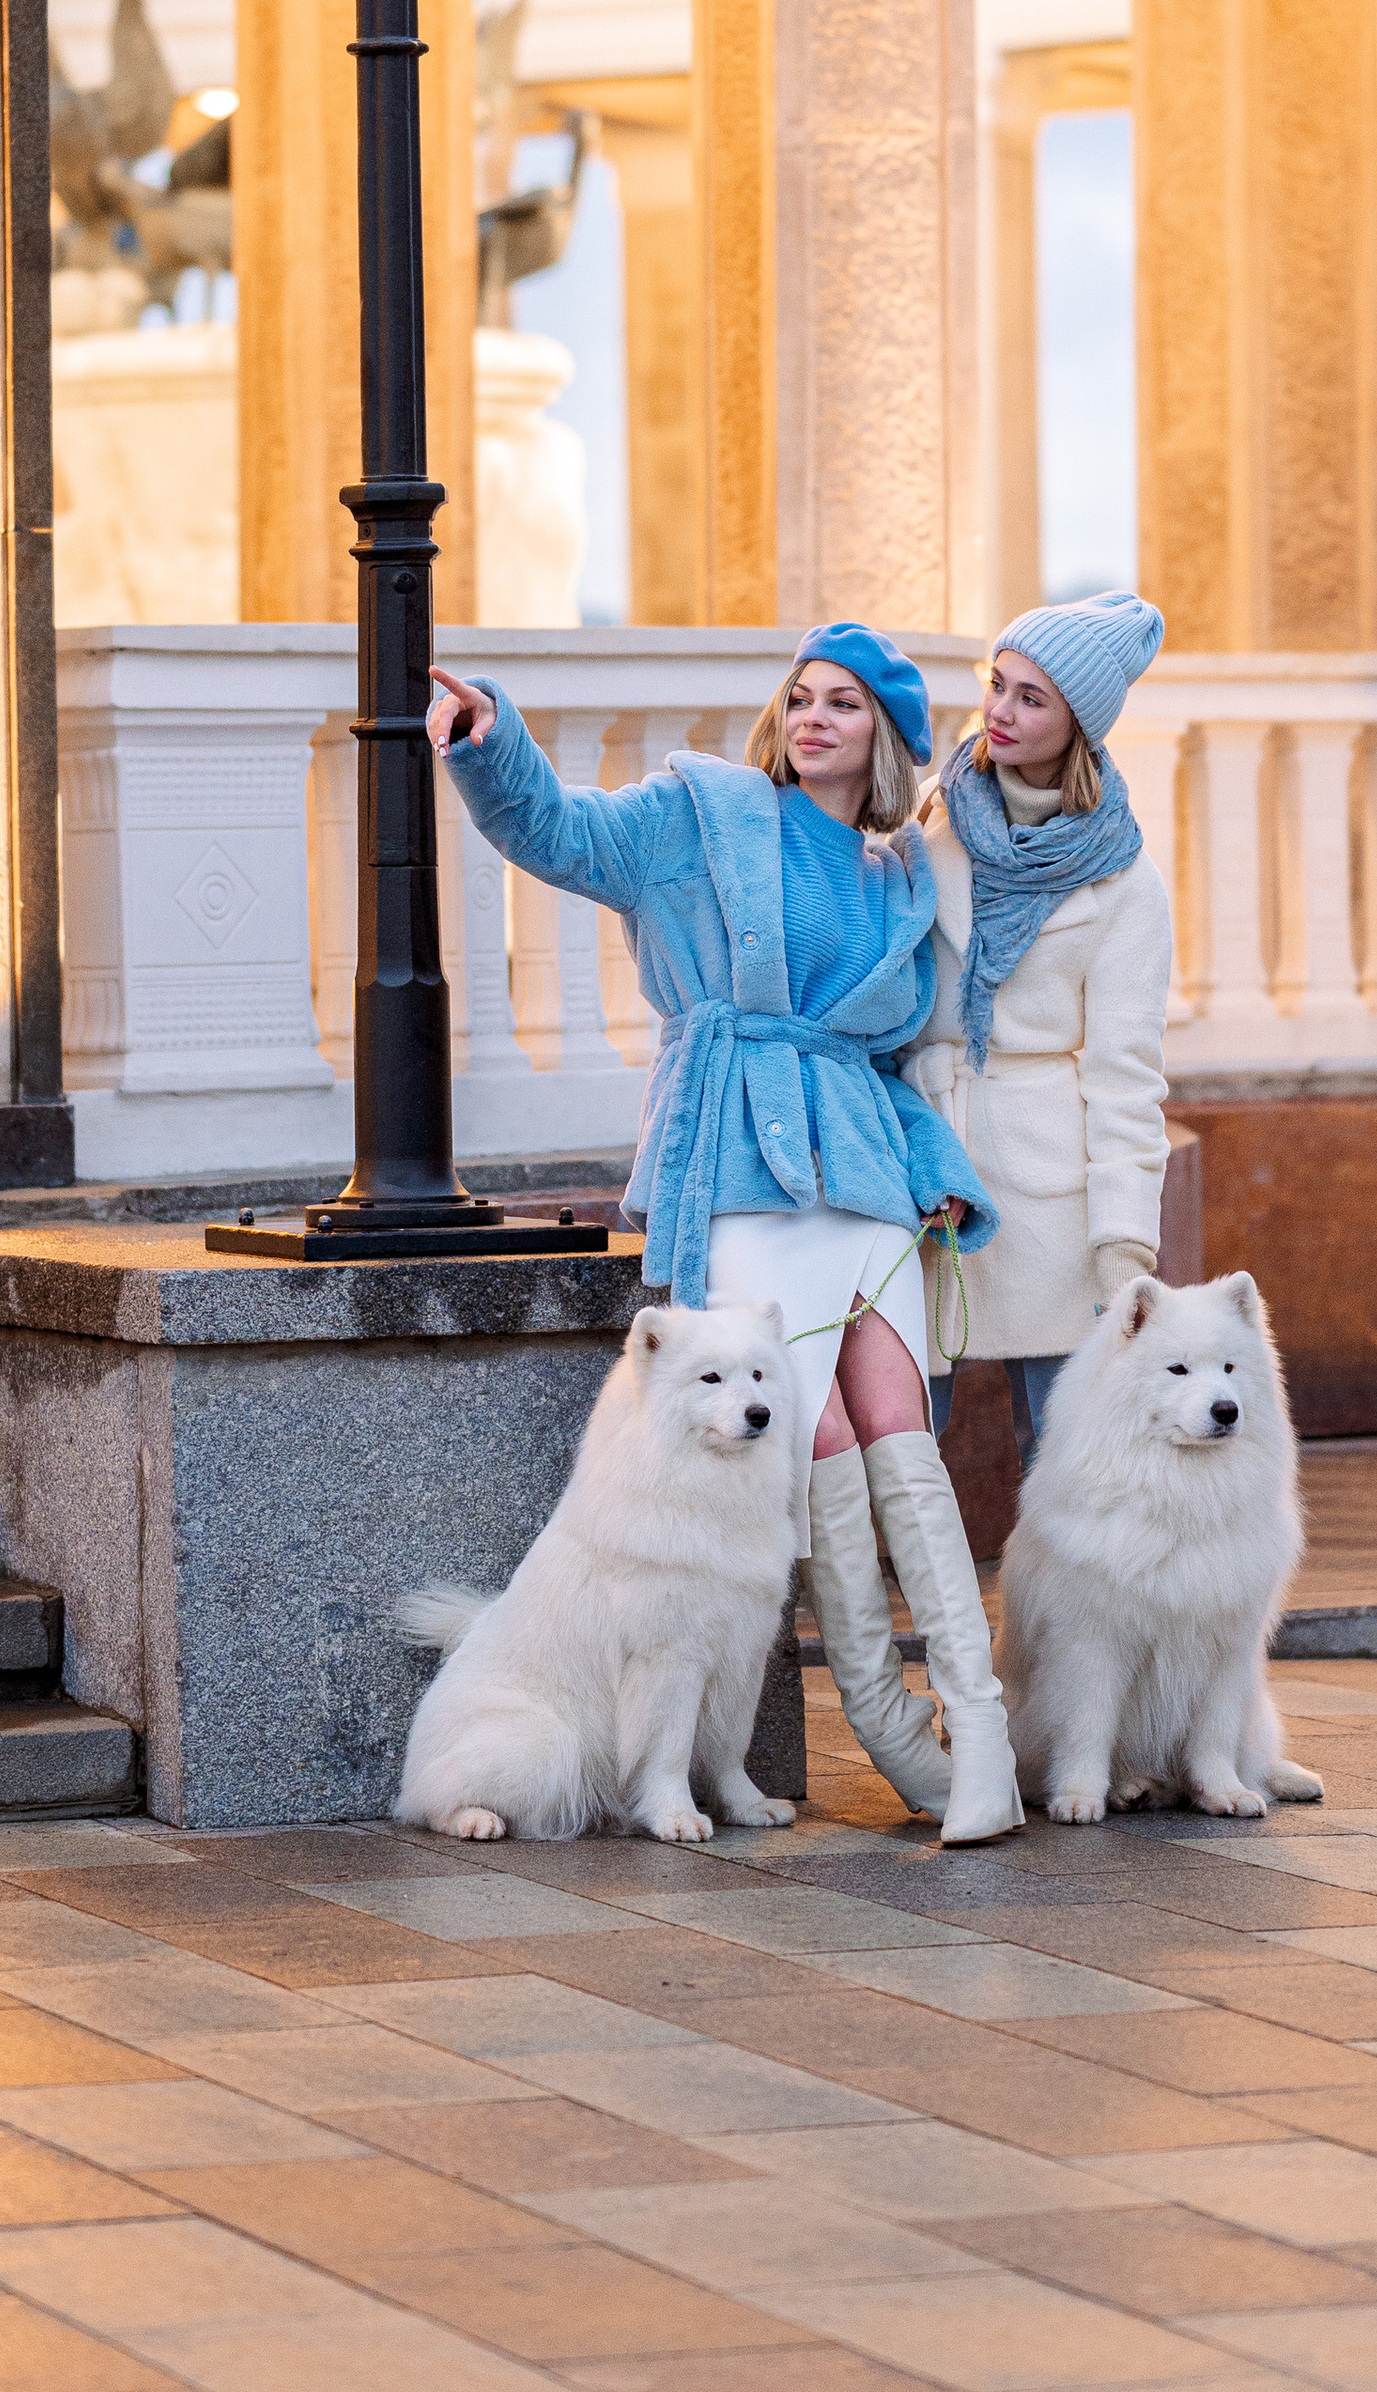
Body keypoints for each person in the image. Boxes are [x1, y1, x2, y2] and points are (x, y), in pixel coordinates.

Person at [426, 625, 1025, 1844]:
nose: (811, 718)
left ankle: (985, 1745)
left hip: (860, 1187)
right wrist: (493, 743)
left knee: (904, 1449)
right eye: (800, 697)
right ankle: (906, 1748)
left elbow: (895, 1061)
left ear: (886, 737)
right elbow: (564, 834)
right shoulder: (700, 813)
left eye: (844, 704)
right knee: (818, 1457)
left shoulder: (899, 872)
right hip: (743, 1183)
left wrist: (935, 1175)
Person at [903, 594, 1173, 1476]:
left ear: (1078, 726)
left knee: (1069, 1455)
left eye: (1032, 697)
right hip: (926, 1155)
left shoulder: (1125, 878)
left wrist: (1122, 1241)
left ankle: (1072, 1618)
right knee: (900, 1437)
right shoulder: (931, 818)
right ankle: (902, 1617)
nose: (1001, 712)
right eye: (999, 684)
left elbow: (1126, 1074)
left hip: (1050, 1183)